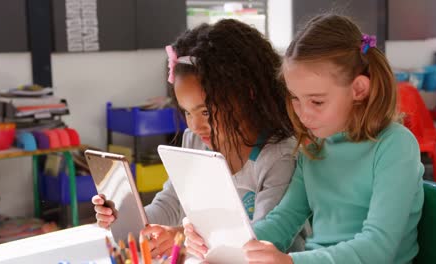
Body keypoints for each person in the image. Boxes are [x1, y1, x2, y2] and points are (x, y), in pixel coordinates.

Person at [92, 19, 302, 258]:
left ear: (246, 94)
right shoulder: (195, 142)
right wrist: (132, 220)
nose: (195, 125)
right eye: (187, 112)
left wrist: (179, 238)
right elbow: (171, 202)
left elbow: (263, 241)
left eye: (206, 112)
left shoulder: (278, 156)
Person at [238, 14, 425, 264]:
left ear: (358, 89)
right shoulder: (315, 146)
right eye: (295, 98)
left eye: (316, 101)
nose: (302, 114)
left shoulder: (396, 145)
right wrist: (230, 247)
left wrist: (291, 262)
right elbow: (283, 220)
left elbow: (378, 248)